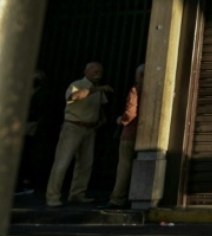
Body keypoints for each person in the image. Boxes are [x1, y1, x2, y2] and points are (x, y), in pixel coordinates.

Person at [45, 62, 113, 207]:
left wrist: (101, 119)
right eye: (95, 71)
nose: (98, 74)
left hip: (89, 129)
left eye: (100, 71)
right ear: (86, 71)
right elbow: (73, 98)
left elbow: (100, 107)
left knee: (85, 164)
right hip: (73, 126)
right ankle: (52, 196)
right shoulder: (78, 84)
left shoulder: (98, 90)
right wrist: (96, 89)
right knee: (62, 161)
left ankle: (77, 194)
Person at [101, 64, 144, 209]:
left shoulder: (135, 90)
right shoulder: (153, 89)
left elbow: (130, 114)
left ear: (139, 76)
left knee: (124, 166)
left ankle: (117, 198)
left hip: (130, 133)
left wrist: (121, 120)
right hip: (144, 134)